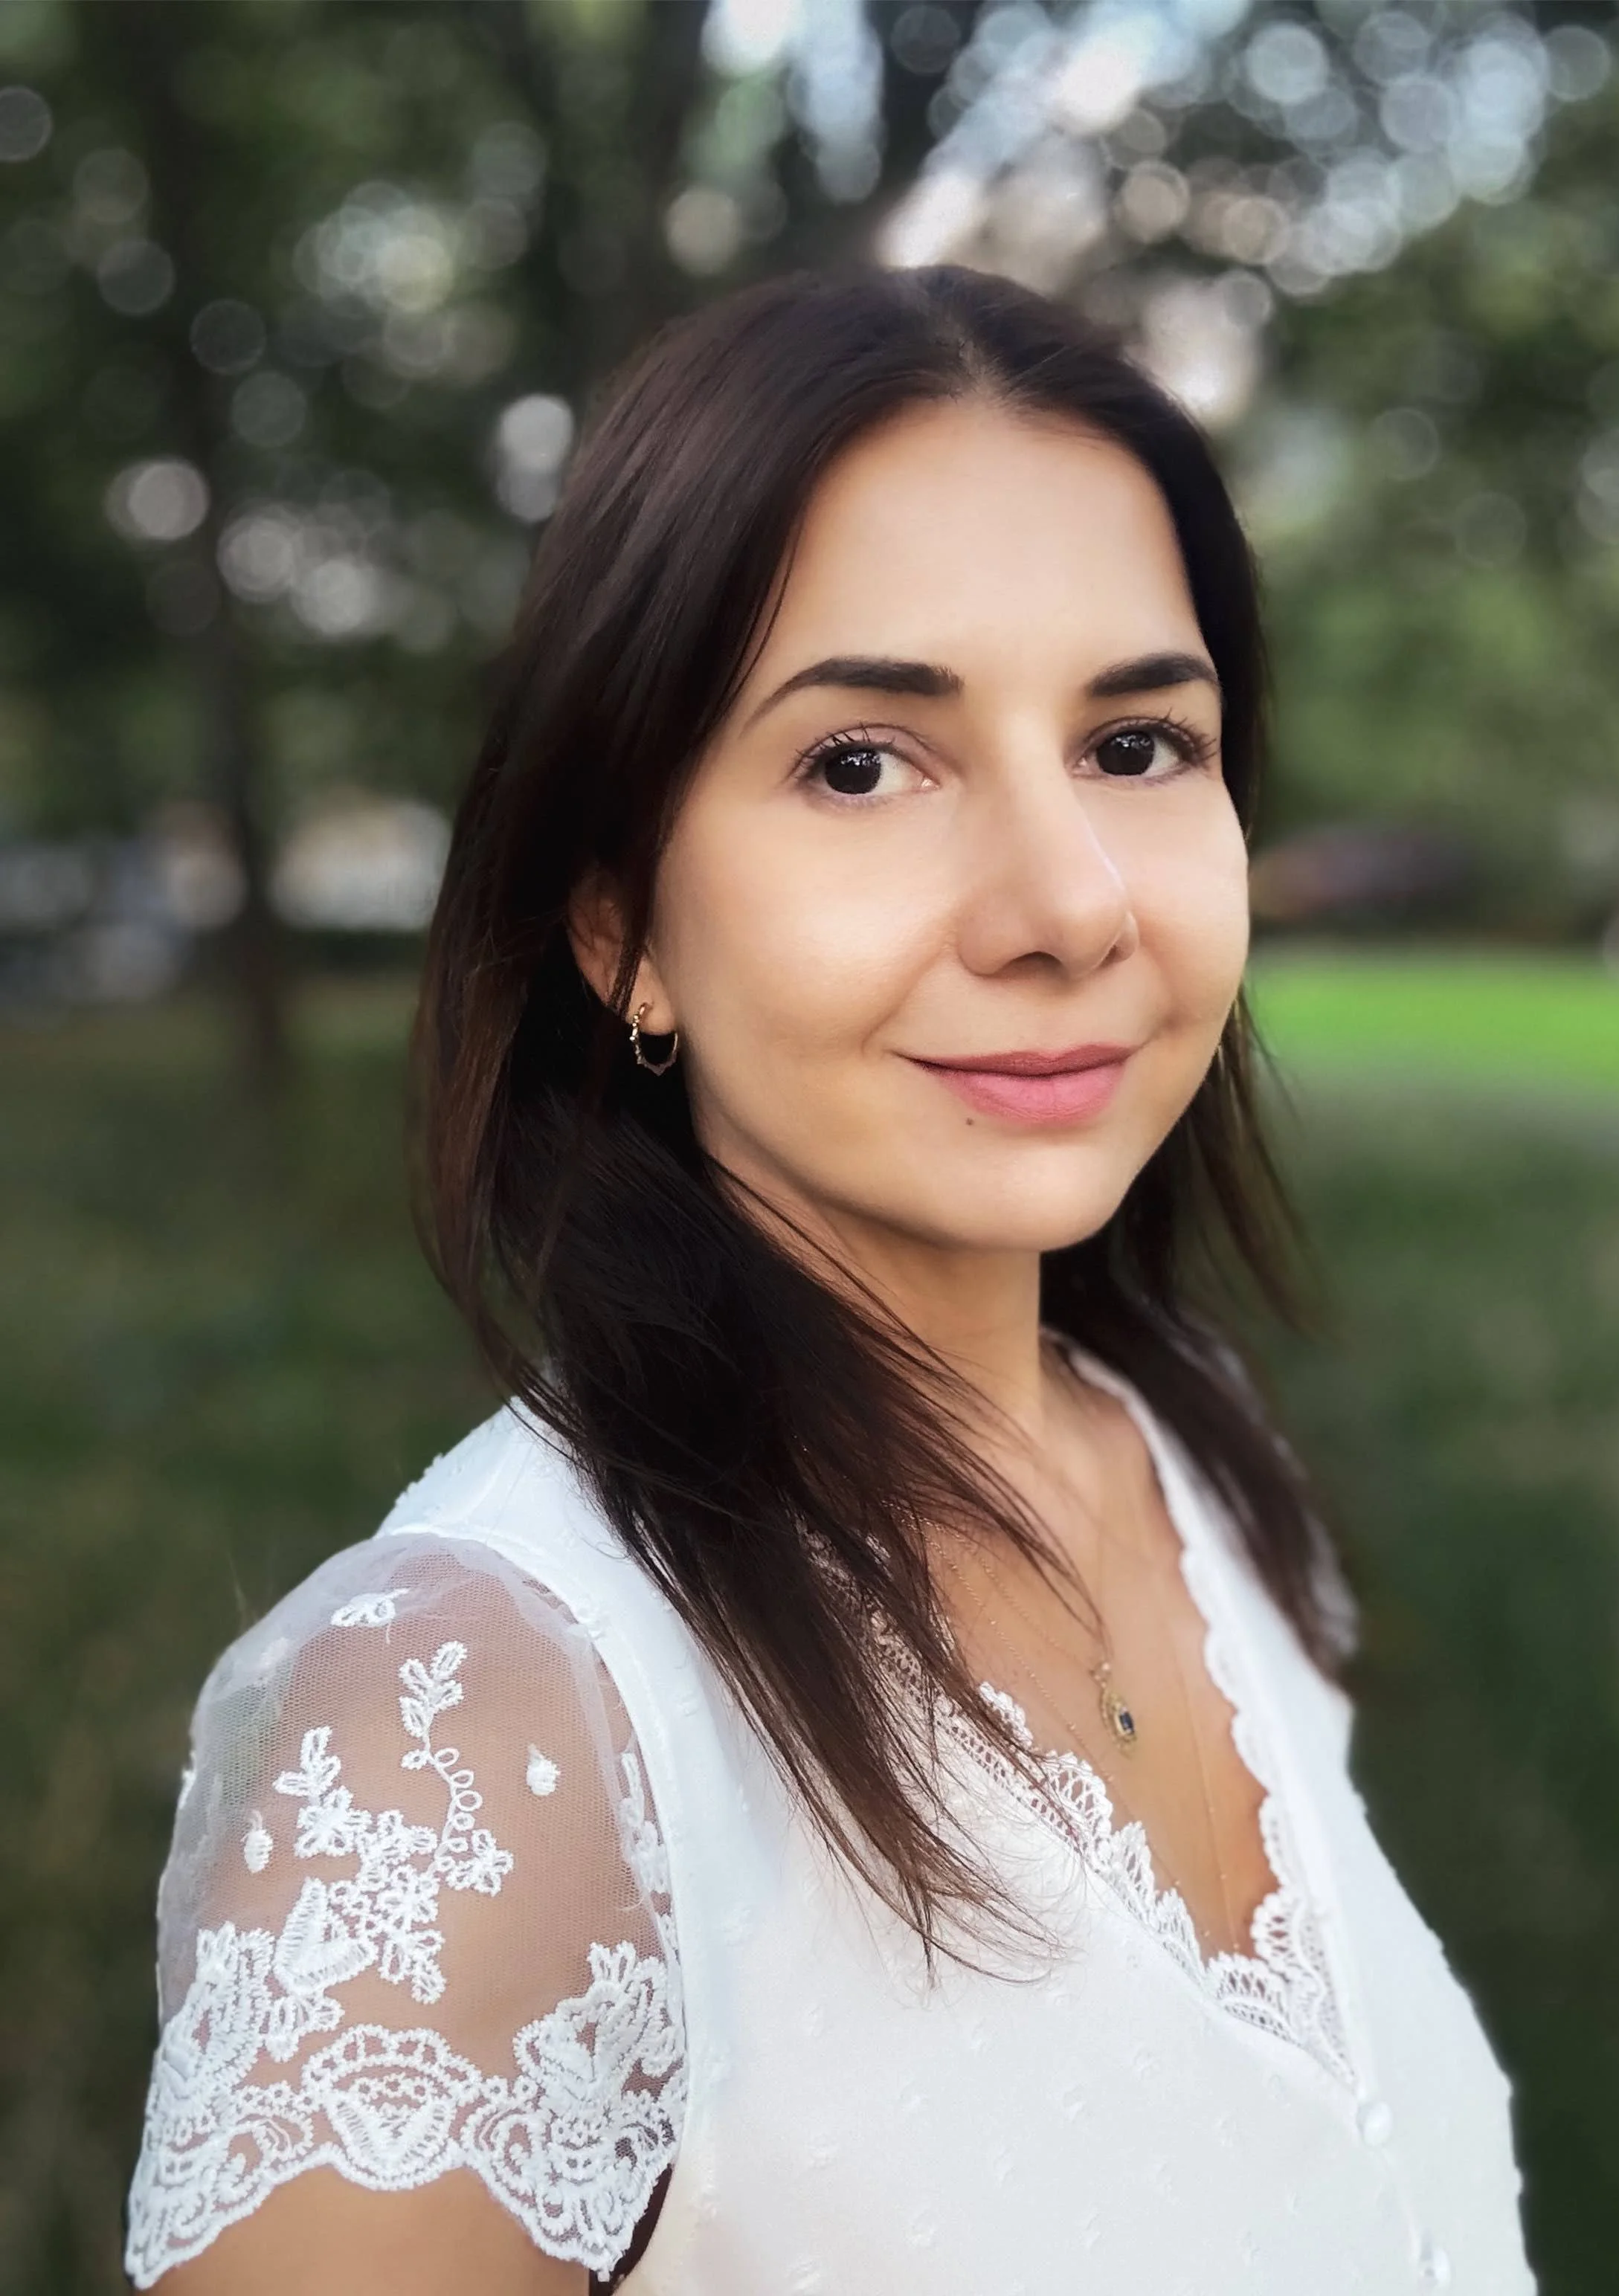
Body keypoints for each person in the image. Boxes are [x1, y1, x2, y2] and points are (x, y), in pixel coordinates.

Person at [124, 266, 1533, 2295]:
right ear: (619, 924)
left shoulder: (1195, 1470)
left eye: (1138, 740)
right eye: (863, 764)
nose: (1068, 905)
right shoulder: (473, 1740)